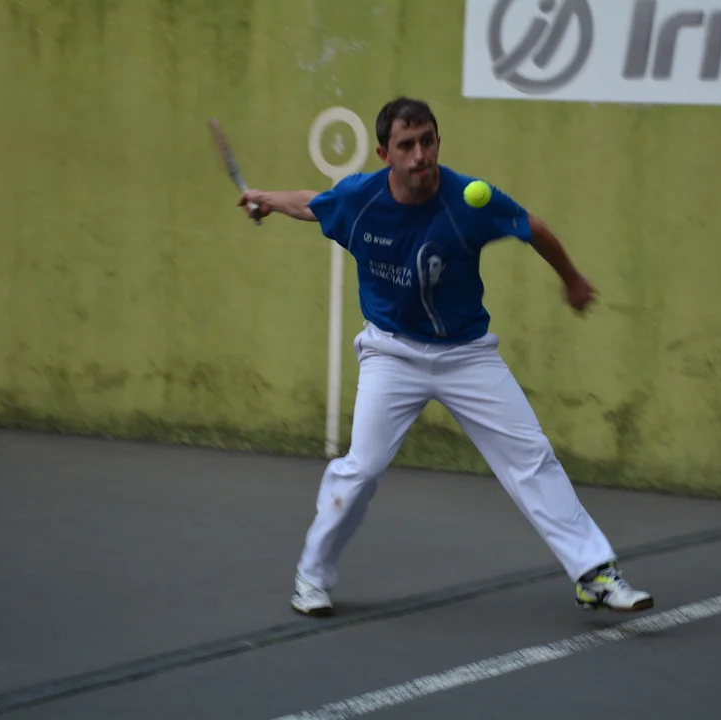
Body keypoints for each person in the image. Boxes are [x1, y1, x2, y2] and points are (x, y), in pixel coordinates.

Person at [237, 97, 653, 617]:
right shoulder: (361, 199)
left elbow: (534, 227)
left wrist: (572, 280)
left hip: (466, 355)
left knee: (531, 457)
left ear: (437, 142)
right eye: (406, 145)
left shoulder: (471, 200)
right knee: (361, 470)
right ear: (385, 153)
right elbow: (313, 203)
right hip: (392, 353)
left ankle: (595, 575)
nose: (420, 155)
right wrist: (267, 200)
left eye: (427, 141)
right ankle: (311, 578)